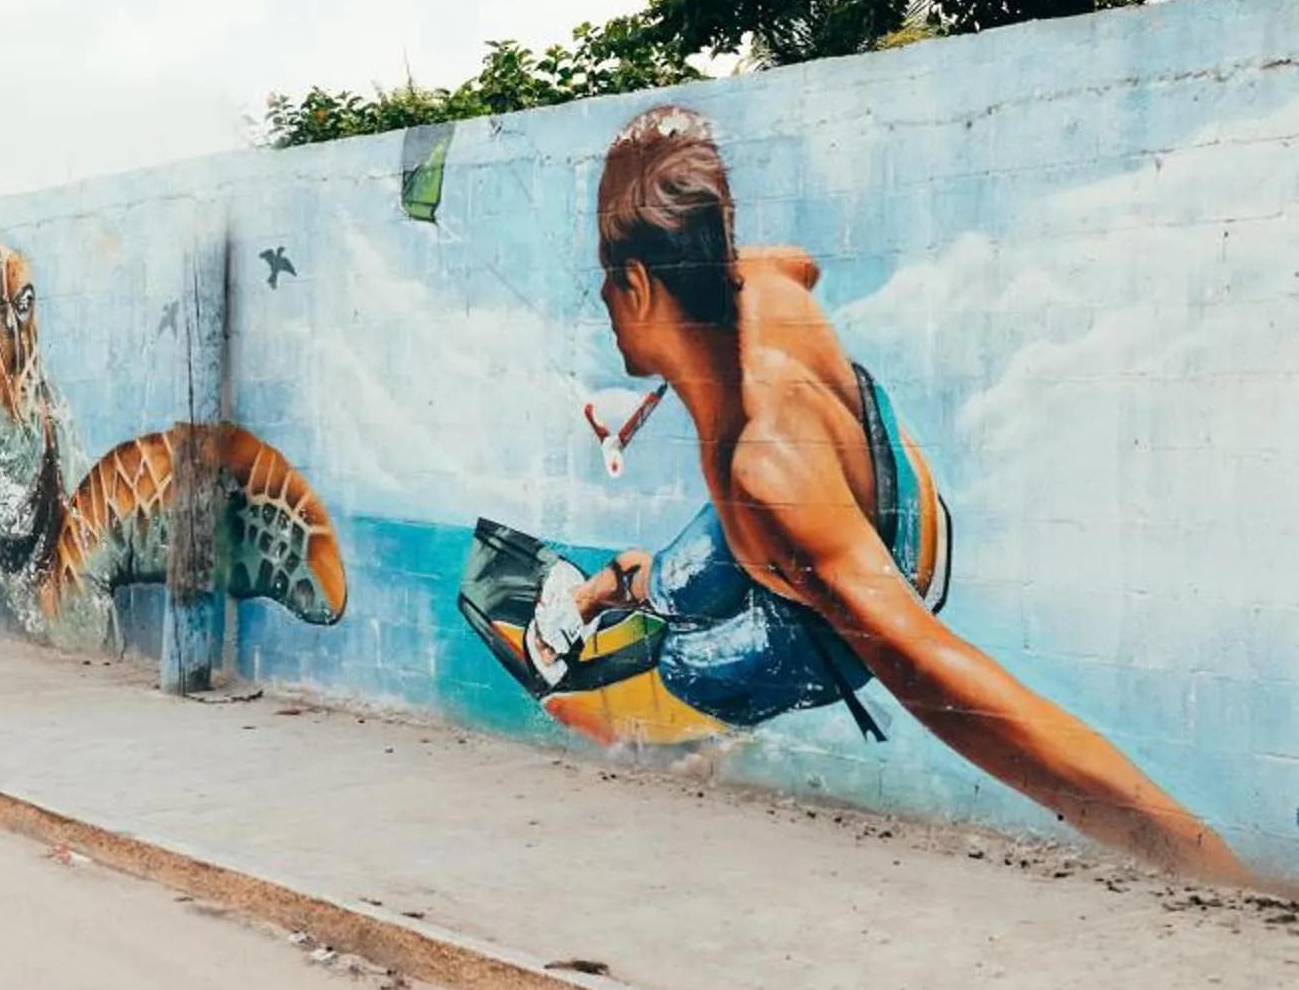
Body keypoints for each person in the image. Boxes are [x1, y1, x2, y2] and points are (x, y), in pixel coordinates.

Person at [526, 106, 1242, 882]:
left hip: (860, 565)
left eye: (608, 279)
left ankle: (642, 606)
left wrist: (1193, 853)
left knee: (682, 661)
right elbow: (802, 263)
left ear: (634, 285)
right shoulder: (764, 286)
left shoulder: (765, 474)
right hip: (890, 487)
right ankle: (621, 585)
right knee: (692, 573)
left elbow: (940, 670)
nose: (599, 296)